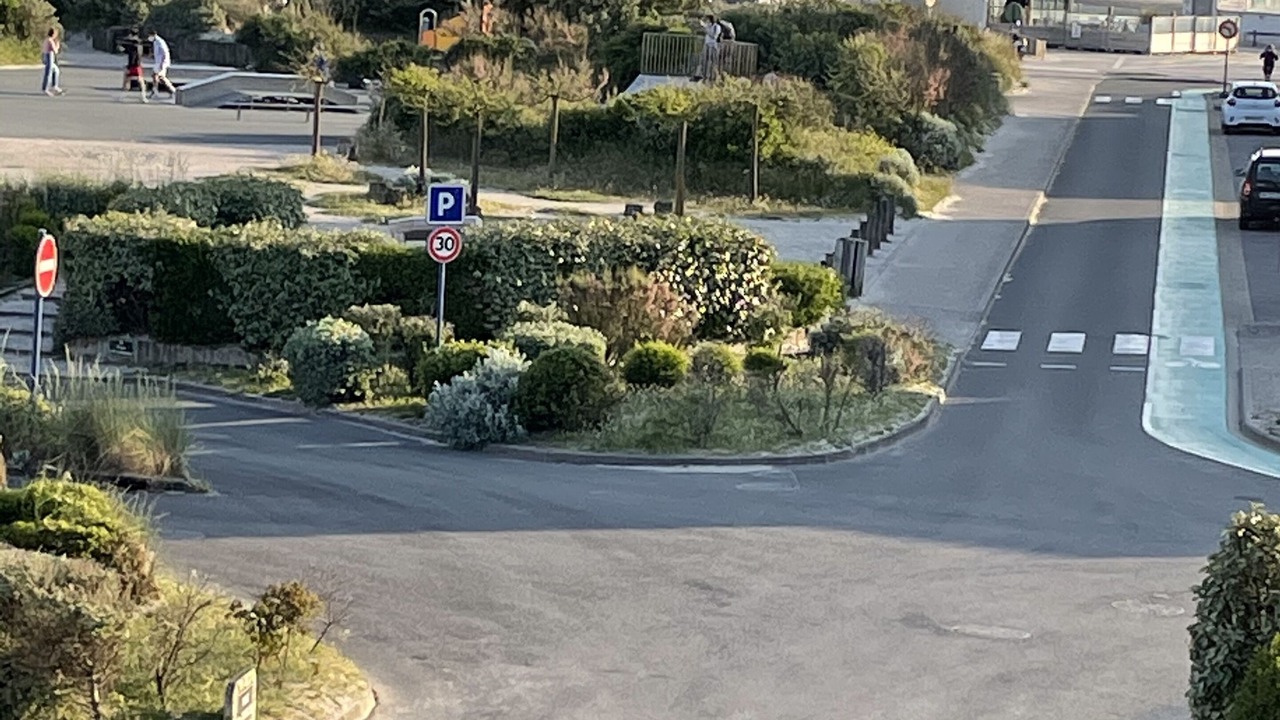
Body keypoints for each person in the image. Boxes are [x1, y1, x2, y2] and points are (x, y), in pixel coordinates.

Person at [146, 30, 176, 101]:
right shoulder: (155, 42)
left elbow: (165, 53)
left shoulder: (160, 42)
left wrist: (163, 64)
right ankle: (155, 90)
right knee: (155, 75)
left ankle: (173, 91)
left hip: (162, 62)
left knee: (161, 77)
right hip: (158, 62)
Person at [120, 30, 147, 102]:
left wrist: (129, 66)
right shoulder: (139, 43)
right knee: (140, 80)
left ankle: (122, 95)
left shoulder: (132, 43)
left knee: (127, 79)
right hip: (138, 64)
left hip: (133, 64)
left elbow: (132, 54)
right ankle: (143, 96)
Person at [696, 14, 722, 82]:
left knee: (713, 61)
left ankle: (713, 76)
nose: (707, 21)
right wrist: (700, 21)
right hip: (707, 44)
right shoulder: (708, 26)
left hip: (713, 46)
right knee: (704, 60)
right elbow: (703, 25)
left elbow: (714, 36)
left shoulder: (717, 27)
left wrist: (707, 31)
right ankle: (704, 76)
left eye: (707, 19)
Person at [41, 28, 63, 96]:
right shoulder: (50, 41)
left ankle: (54, 86)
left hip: (46, 55)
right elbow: (55, 50)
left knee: (56, 70)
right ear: (53, 34)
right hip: (49, 56)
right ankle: (45, 89)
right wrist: (57, 46)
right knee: (49, 72)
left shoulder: (46, 40)